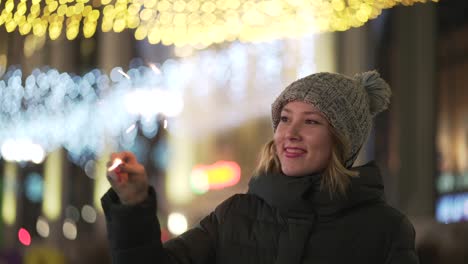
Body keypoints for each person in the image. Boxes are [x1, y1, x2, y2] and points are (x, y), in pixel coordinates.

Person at [101, 70, 419, 264]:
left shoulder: (386, 230)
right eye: (284, 119)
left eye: (311, 121)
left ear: (341, 140)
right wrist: (133, 204)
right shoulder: (234, 215)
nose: (290, 133)